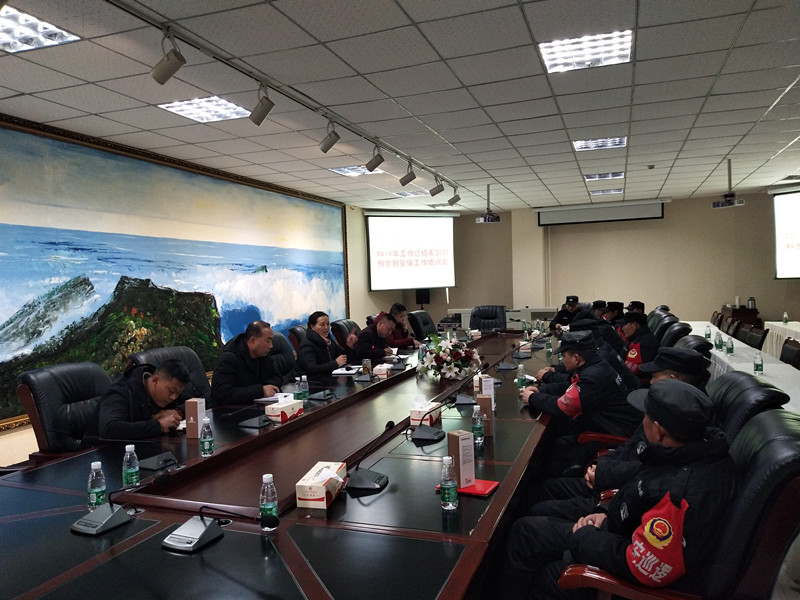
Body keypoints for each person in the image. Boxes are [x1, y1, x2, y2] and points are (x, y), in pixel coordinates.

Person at [501, 379, 735, 599]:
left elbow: (644, 565)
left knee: (533, 550)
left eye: (645, 415)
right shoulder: (688, 451)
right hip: (619, 529)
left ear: (658, 429)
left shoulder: (680, 495)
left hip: (624, 571)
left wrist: (585, 537)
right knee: (527, 529)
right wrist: (605, 513)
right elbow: (640, 492)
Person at [529, 347, 712, 522]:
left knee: (532, 520)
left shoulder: (681, 420)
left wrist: (603, 476)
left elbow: (651, 473)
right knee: (548, 488)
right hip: (614, 475)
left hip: (619, 496)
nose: (651, 382)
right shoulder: (669, 407)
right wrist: (600, 465)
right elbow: (631, 446)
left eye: (655, 376)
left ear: (672, 379)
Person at [520, 331, 641, 476]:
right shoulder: (594, 364)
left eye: (564, 356)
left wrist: (533, 398)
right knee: (553, 433)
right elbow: (569, 387)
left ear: (576, 358)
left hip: (611, 433)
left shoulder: (592, 377)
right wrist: (540, 391)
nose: (562, 359)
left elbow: (563, 407)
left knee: (551, 447)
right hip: (603, 423)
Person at [99, 358, 190, 440]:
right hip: (105, 448)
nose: (173, 397)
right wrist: (159, 426)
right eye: (171, 391)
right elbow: (109, 428)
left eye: (178, 393)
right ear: (155, 380)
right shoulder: (122, 391)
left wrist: (176, 412)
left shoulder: (168, 388)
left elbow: (196, 402)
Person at [210, 320, 283, 405]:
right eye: (267, 341)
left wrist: (269, 388)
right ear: (252, 341)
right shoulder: (229, 359)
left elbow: (276, 377)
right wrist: (260, 391)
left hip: (258, 405)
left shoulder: (264, 355)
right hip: (233, 409)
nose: (271, 346)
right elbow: (222, 394)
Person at [297, 311, 355, 382]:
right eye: (322, 325)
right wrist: (335, 363)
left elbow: (342, 357)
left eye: (328, 324)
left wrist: (349, 346)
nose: (326, 327)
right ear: (312, 327)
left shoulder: (328, 340)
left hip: (328, 378)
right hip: (310, 382)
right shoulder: (307, 344)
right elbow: (311, 369)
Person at [620, 311, 659, 381]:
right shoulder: (642, 336)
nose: (622, 328)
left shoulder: (640, 344)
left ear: (634, 325)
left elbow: (629, 372)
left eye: (624, 325)